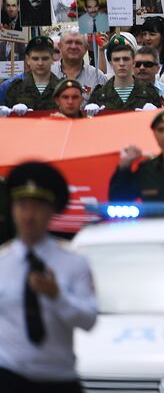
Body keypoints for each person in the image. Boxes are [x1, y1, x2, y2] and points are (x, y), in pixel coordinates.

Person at [0, 161, 98, 393]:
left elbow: (89, 320)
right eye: (22, 206)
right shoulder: (2, 262)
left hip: (58, 379)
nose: (29, 215)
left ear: (52, 211)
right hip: (9, 377)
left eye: (37, 207)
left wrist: (57, 296)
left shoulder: (74, 262)